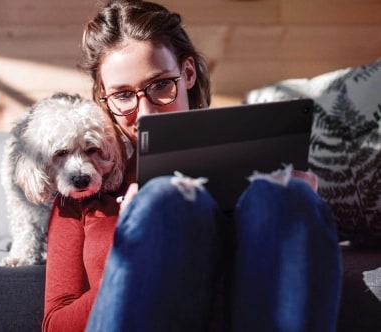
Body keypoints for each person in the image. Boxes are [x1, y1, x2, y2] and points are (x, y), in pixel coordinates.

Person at [42, 1, 342, 331]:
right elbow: (54, 323)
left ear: (187, 74)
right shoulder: (82, 192)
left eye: (159, 85)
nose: (145, 114)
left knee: (286, 198)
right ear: (104, 98)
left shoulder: (258, 184)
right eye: (123, 95)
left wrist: (299, 208)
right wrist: (135, 251)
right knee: (165, 201)